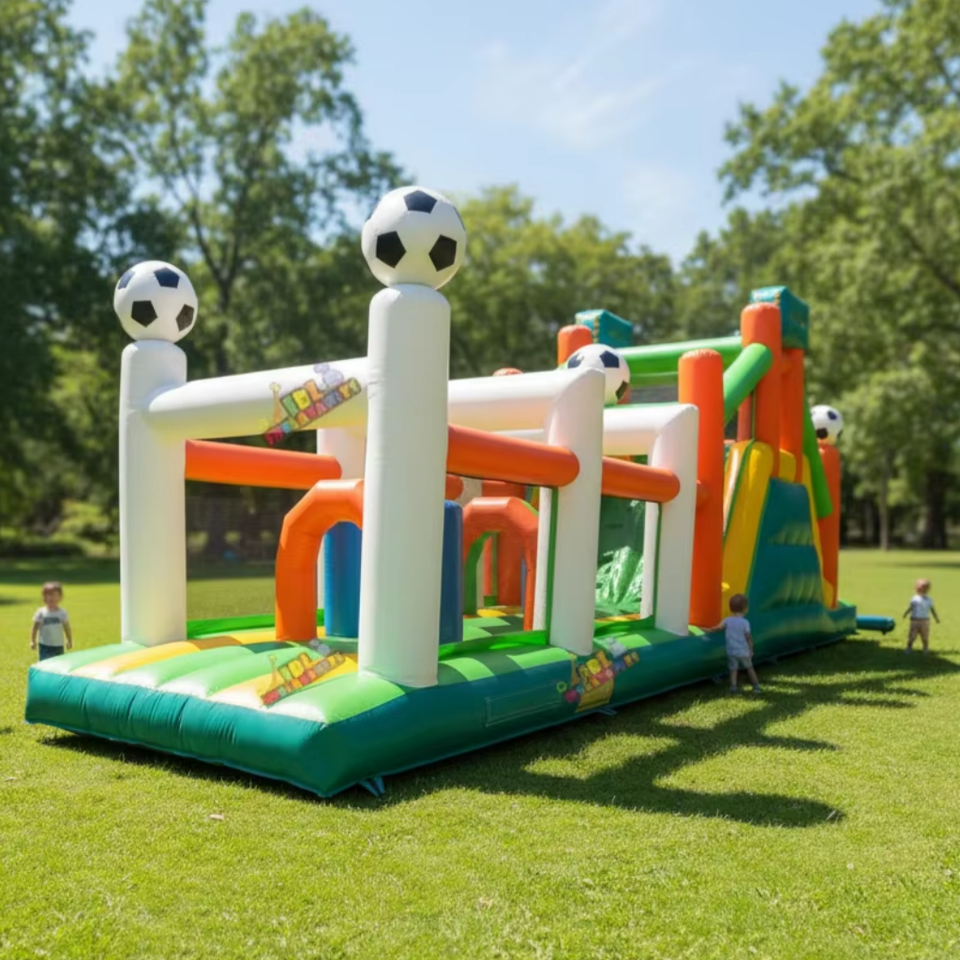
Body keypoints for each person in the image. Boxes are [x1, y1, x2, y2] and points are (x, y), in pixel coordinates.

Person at [713, 593, 761, 693]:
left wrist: (707, 629)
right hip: (742, 650)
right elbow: (748, 637)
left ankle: (733, 686)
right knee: (749, 668)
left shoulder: (727, 620)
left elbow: (718, 628)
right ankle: (756, 686)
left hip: (731, 650)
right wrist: (751, 649)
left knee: (733, 668)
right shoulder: (744, 622)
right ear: (745, 609)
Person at [30, 581, 73, 661]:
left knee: (58, 663)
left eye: (54, 595)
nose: (51, 598)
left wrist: (69, 640)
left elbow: (67, 628)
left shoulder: (62, 613)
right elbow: (35, 628)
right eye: (48, 595)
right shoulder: (41, 612)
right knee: (45, 663)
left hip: (58, 644)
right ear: (44, 597)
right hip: (44, 644)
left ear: (60, 596)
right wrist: (32, 641)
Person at [903, 578, 940, 654]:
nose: (920, 589)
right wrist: (906, 613)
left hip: (925, 620)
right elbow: (911, 607)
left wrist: (936, 618)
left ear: (927, 589)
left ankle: (925, 648)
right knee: (912, 635)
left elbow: (932, 609)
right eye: (919, 587)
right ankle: (908, 648)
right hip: (915, 620)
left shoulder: (929, 599)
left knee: (925, 636)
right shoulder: (914, 598)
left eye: (924, 587)